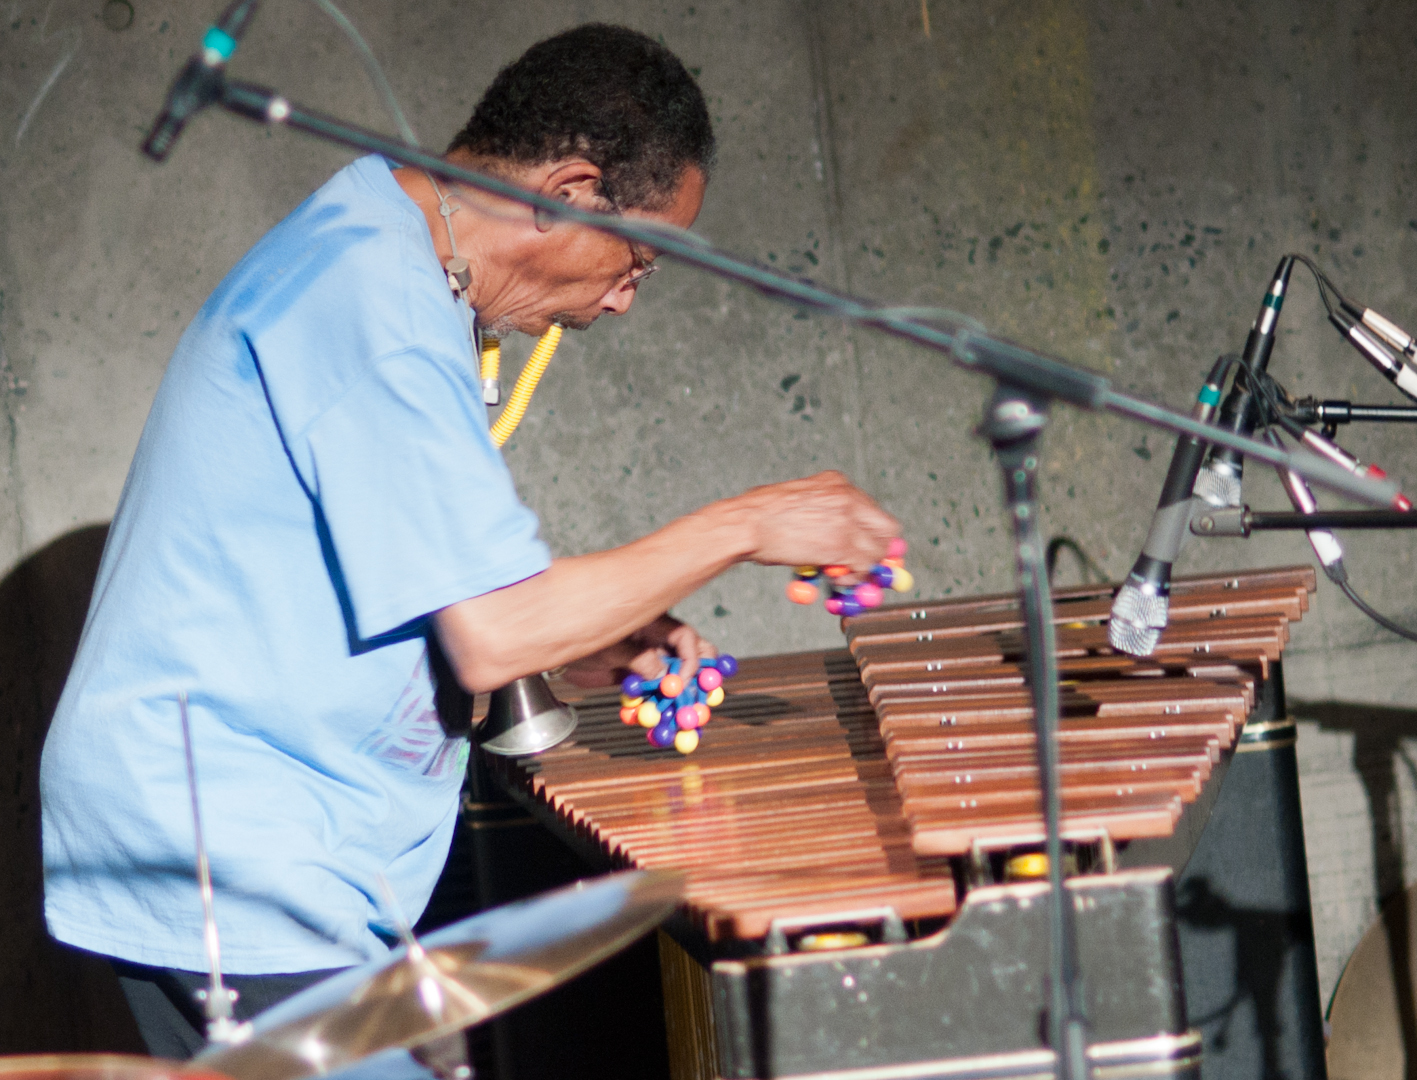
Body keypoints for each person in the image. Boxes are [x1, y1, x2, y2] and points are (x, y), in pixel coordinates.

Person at [40, 22, 897, 1060]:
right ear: (571, 192)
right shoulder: (375, 299)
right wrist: (748, 522)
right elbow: (493, 633)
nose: (627, 298)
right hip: (228, 847)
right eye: (640, 259)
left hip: (272, 840)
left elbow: (417, 594)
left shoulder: (396, 256)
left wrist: (582, 642)